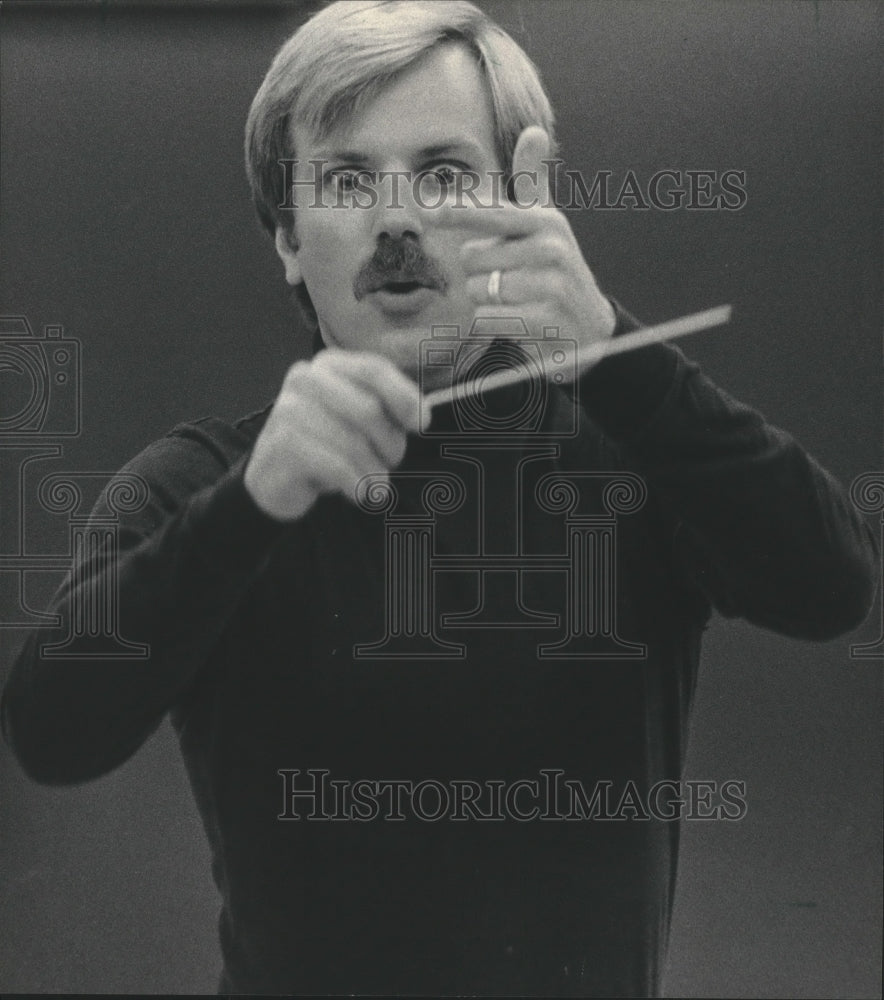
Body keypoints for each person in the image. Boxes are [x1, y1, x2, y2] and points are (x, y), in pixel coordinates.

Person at [2, 2, 877, 995]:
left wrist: (609, 352)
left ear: (523, 205)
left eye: (444, 174)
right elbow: (50, 731)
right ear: (286, 236)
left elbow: (834, 585)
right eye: (344, 180)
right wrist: (250, 508)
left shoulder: (626, 456)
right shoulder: (202, 485)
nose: (396, 220)